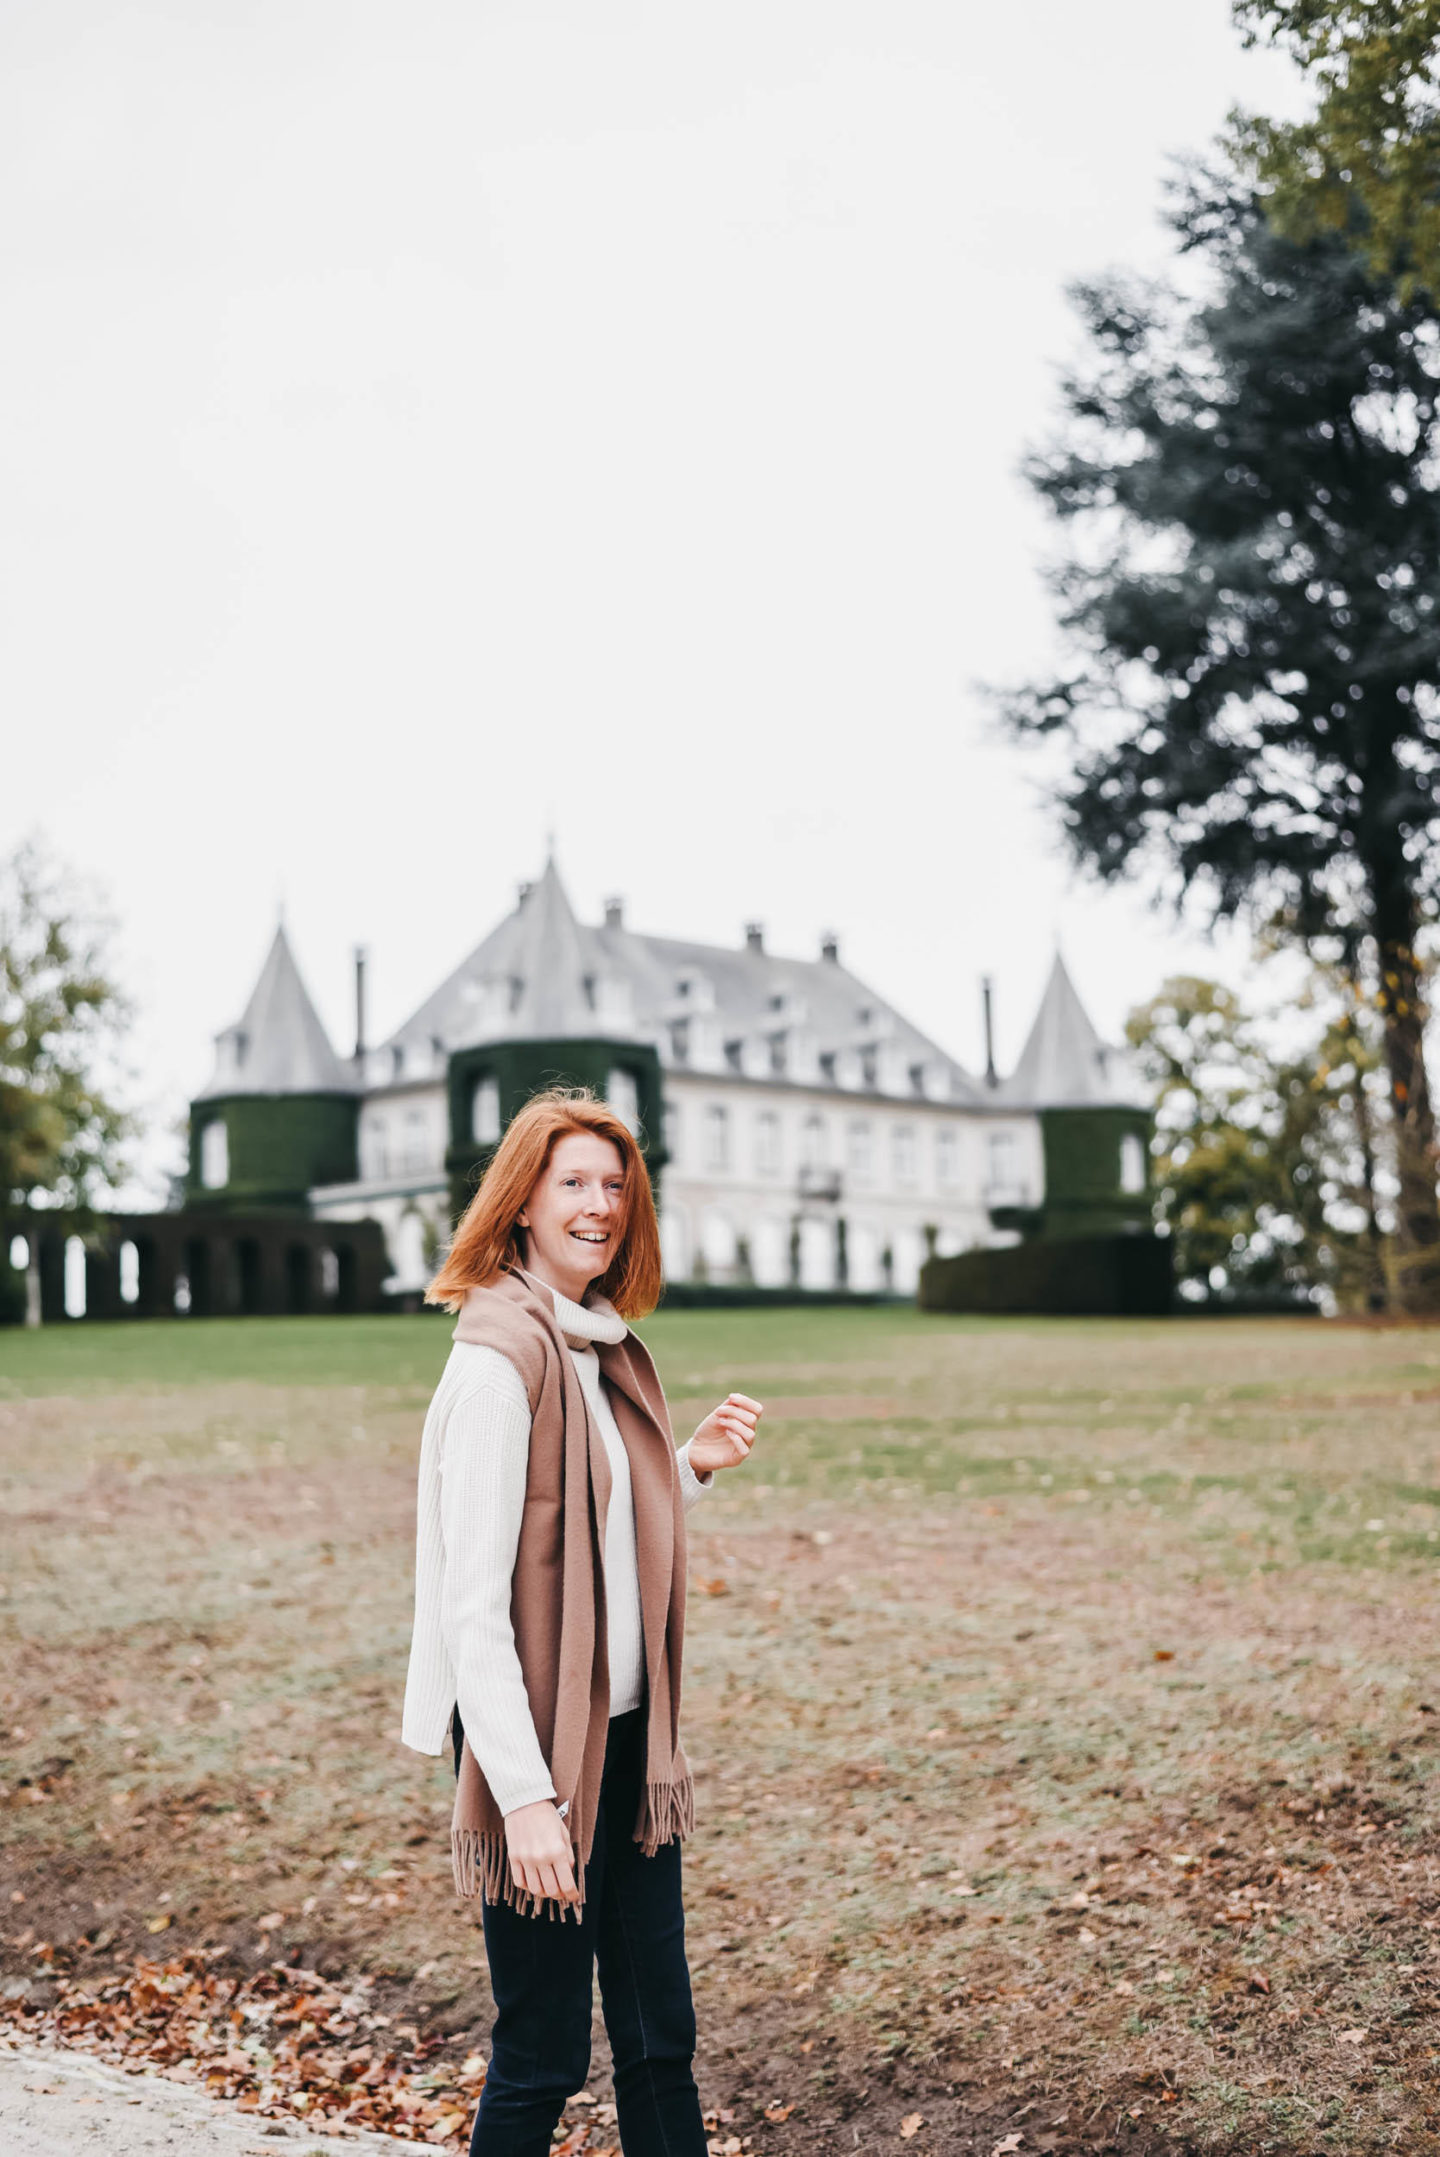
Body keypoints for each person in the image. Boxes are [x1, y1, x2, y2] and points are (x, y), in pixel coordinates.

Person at [401, 1087, 762, 2157]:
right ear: (522, 1205)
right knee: (545, 2050)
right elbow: (477, 1608)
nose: (600, 1205)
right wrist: (525, 1802)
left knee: (660, 2039)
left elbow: (596, 1520)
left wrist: (684, 1467)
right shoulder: (497, 1367)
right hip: (540, 1750)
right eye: (574, 1184)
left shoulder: (598, 1349)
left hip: (628, 1738)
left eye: (616, 1185)